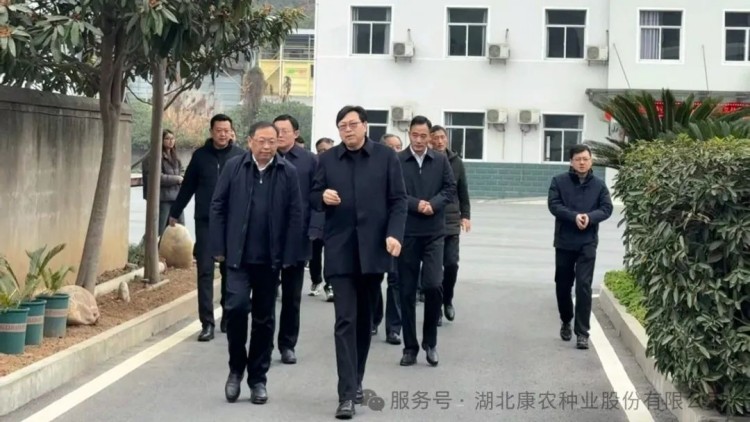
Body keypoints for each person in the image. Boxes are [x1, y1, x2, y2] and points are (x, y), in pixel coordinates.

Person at [310, 105, 407, 419]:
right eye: (342, 125)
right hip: (340, 250)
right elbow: (312, 195)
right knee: (345, 321)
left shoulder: (385, 157)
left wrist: (394, 234)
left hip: (373, 251)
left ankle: (356, 380)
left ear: (365, 126)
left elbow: (398, 200)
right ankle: (346, 394)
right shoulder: (327, 159)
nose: (348, 130)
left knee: (364, 322)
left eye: (352, 124)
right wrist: (322, 197)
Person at [210, 121, 303, 404]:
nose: (266, 147)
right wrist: (219, 247)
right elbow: (218, 206)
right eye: (261, 141)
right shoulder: (234, 168)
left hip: (269, 260)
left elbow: (295, 214)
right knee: (236, 310)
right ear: (250, 141)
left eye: (272, 141)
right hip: (238, 258)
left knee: (264, 320)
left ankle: (258, 379)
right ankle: (235, 369)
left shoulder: (287, 172)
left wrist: (289, 255)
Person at [169, 114, 245, 341]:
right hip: (206, 222)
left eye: (226, 130)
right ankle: (207, 323)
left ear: (231, 132)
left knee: (230, 271)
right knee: (205, 271)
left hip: (232, 223)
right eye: (218, 130)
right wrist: (175, 212)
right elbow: (188, 186)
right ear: (211, 132)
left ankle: (227, 316)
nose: (223, 134)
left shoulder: (240, 156)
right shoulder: (200, 156)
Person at [397, 115, 456, 368]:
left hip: (434, 233)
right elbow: (394, 192)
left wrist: (433, 204)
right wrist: (415, 204)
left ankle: (430, 342)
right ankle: (409, 347)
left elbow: (450, 189)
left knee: (433, 285)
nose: (419, 140)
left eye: (424, 136)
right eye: (415, 135)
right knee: (407, 291)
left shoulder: (440, 160)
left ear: (430, 137)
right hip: (407, 232)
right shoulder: (398, 160)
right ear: (409, 134)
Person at [547, 144, 613, 350]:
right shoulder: (559, 181)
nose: (582, 163)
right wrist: (574, 216)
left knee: (584, 286)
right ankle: (566, 319)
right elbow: (554, 205)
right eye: (578, 159)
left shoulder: (599, 185)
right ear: (571, 162)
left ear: (591, 161)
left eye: (585, 159)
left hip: (587, 242)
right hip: (565, 241)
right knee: (563, 284)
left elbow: (607, 208)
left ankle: (582, 333)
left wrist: (589, 218)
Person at [272, 114, 318, 364]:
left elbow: (317, 196)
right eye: (276, 130)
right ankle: (263, 343)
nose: (279, 135)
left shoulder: (309, 161)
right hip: (266, 237)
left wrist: (315, 228)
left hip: (296, 238)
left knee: (291, 296)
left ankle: (287, 344)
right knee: (266, 295)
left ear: (296, 134)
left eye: (285, 130)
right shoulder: (264, 158)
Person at [428, 125, 471, 325]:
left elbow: (463, 191)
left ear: (447, 139)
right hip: (430, 219)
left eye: (442, 137)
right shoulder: (426, 160)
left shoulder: (456, 162)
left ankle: (447, 300)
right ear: (430, 140)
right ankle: (435, 308)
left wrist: (466, 215)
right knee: (434, 269)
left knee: (451, 264)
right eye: (435, 138)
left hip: (451, 220)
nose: (439, 141)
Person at [372, 133, 404, 345]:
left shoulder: (405, 166)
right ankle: (373, 319)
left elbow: (402, 199)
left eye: (398, 146)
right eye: (392, 147)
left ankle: (394, 328)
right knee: (374, 279)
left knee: (395, 280)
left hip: (397, 233)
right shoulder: (375, 167)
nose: (396, 151)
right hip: (375, 233)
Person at [141, 129, 185, 236]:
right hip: (161, 199)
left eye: (172, 138)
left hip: (176, 198)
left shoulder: (175, 157)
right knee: (159, 231)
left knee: (180, 230)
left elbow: (182, 172)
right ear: (160, 140)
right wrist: (177, 179)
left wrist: (182, 178)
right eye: (167, 139)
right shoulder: (152, 157)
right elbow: (156, 177)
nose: (171, 141)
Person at [309, 137, 335, 302]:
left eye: (327, 150)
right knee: (315, 251)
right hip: (316, 215)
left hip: (333, 216)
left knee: (332, 253)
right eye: (320, 151)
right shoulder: (314, 166)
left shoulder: (339, 165)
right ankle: (316, 279)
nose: (324, 153)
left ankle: (330, 285)